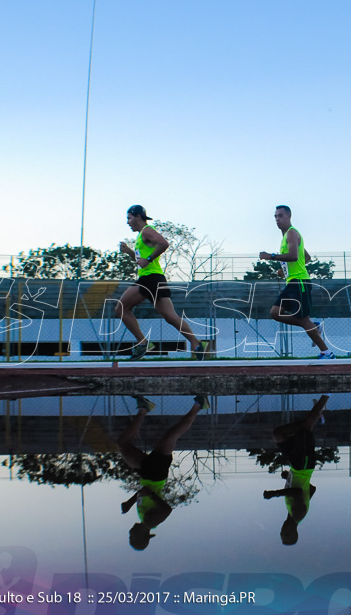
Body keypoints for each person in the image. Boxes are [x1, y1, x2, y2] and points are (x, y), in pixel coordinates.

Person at [117, 394, 211, 550]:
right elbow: (166, 510)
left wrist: (130, 502)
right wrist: (149, 494)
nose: (130, 532)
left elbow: (143, 492)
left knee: (125, 444)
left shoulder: (143, 518)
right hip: (154, 474)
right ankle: (198, 406)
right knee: (171, 435)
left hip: (148, 475)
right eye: (131, 535)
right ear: (140, 536)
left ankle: (144, 408)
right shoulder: (150, 522)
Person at [116, 205, 208, 360]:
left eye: (129, 218)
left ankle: (143, 343)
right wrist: (129, 252)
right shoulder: (140, 236)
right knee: (169, 316)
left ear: (138, 216)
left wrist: (150, 258)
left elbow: (164, 243)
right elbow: (142, 262)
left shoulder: (146, 230)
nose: (127, 222)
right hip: (154, 278)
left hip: (150, 279)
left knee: (121, 308)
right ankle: (197, 344)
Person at [258, 205, 335, 360]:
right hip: (292, 282)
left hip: (300, 283)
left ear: (289, 216)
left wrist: (271, 256)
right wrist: (285, 270)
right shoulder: (286, 236)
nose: (277, 219)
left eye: (280, 216)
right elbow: (305, 257)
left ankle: (327, 353)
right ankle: (314, 327)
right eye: (275, 216)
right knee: (275, 313)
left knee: (302, 318)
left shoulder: (292, 233)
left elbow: (293, 255)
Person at [262, 395, 330, 545]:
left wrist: (289, 478)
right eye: (286, 533)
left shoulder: (291, 513)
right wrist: (275, 494)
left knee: (278, 435)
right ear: (294, 532)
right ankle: (326, 395)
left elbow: (311, 489)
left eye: (282, 533)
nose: (283, 530)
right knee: (304, 430)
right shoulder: (298, 514)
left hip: (296, 467)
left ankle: (317, 419)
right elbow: (298, 492)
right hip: (303, 466)